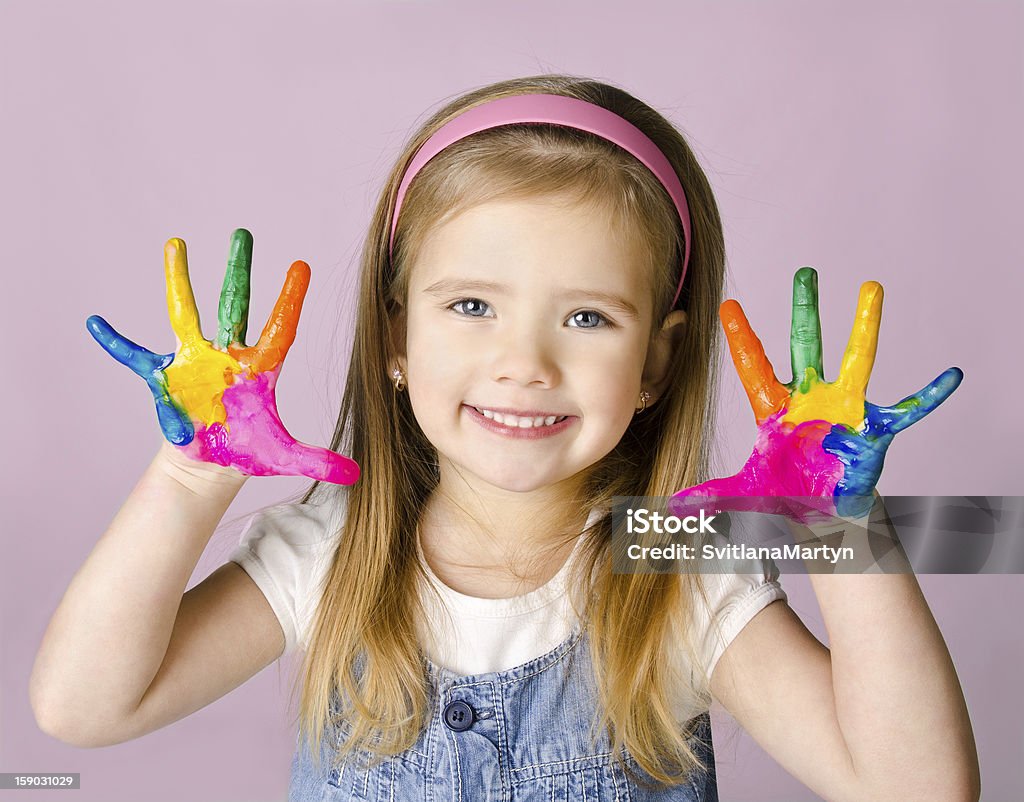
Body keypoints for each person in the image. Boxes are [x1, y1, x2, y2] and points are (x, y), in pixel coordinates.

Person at [30, 75, 980, 800]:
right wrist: (190, 476)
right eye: (473, 305)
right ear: (396, 337)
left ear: (655, 364)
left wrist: (836, 526)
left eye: (587, 320)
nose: (524, 362)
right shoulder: (336, 550)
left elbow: (919, 786)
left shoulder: (680, 571)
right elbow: (84, 707)